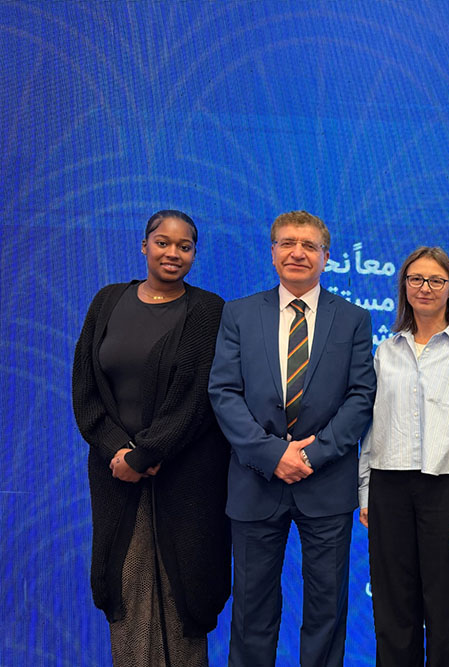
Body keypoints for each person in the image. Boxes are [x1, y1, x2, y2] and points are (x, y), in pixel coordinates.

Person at [208, 210, 376, 667]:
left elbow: (362, 396)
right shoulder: (239, 313)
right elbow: (223, 392)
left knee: (326, 609)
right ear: (273, 251)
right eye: (286, 243)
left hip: (325, 485)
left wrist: (313, 455)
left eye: (308, 245)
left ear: (326, 256)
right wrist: (272, 454)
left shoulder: (354, 319)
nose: (297, 252)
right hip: (254, 482)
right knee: (251, 609)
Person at [72, 209, 231, 667]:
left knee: (185, 589)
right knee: (124, 580)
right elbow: (86, 389)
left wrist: (147, 452)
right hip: (114, 473)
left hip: (186, 477)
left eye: (184, 246)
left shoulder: (208, 310)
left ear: (195, 254)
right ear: (144, 246)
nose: (173, 253)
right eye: (163, 242)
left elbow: (199, 397)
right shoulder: (106, 301)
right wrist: (118, 452)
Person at [359, 246, 449, 666]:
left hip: (445, 493)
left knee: (444, 611)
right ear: (404, 287)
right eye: (416, 279)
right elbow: (370, 430)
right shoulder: (384, 352)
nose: (425, 287)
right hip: (388, 488)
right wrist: (366, 492)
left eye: (435, 280)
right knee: (392, 611)